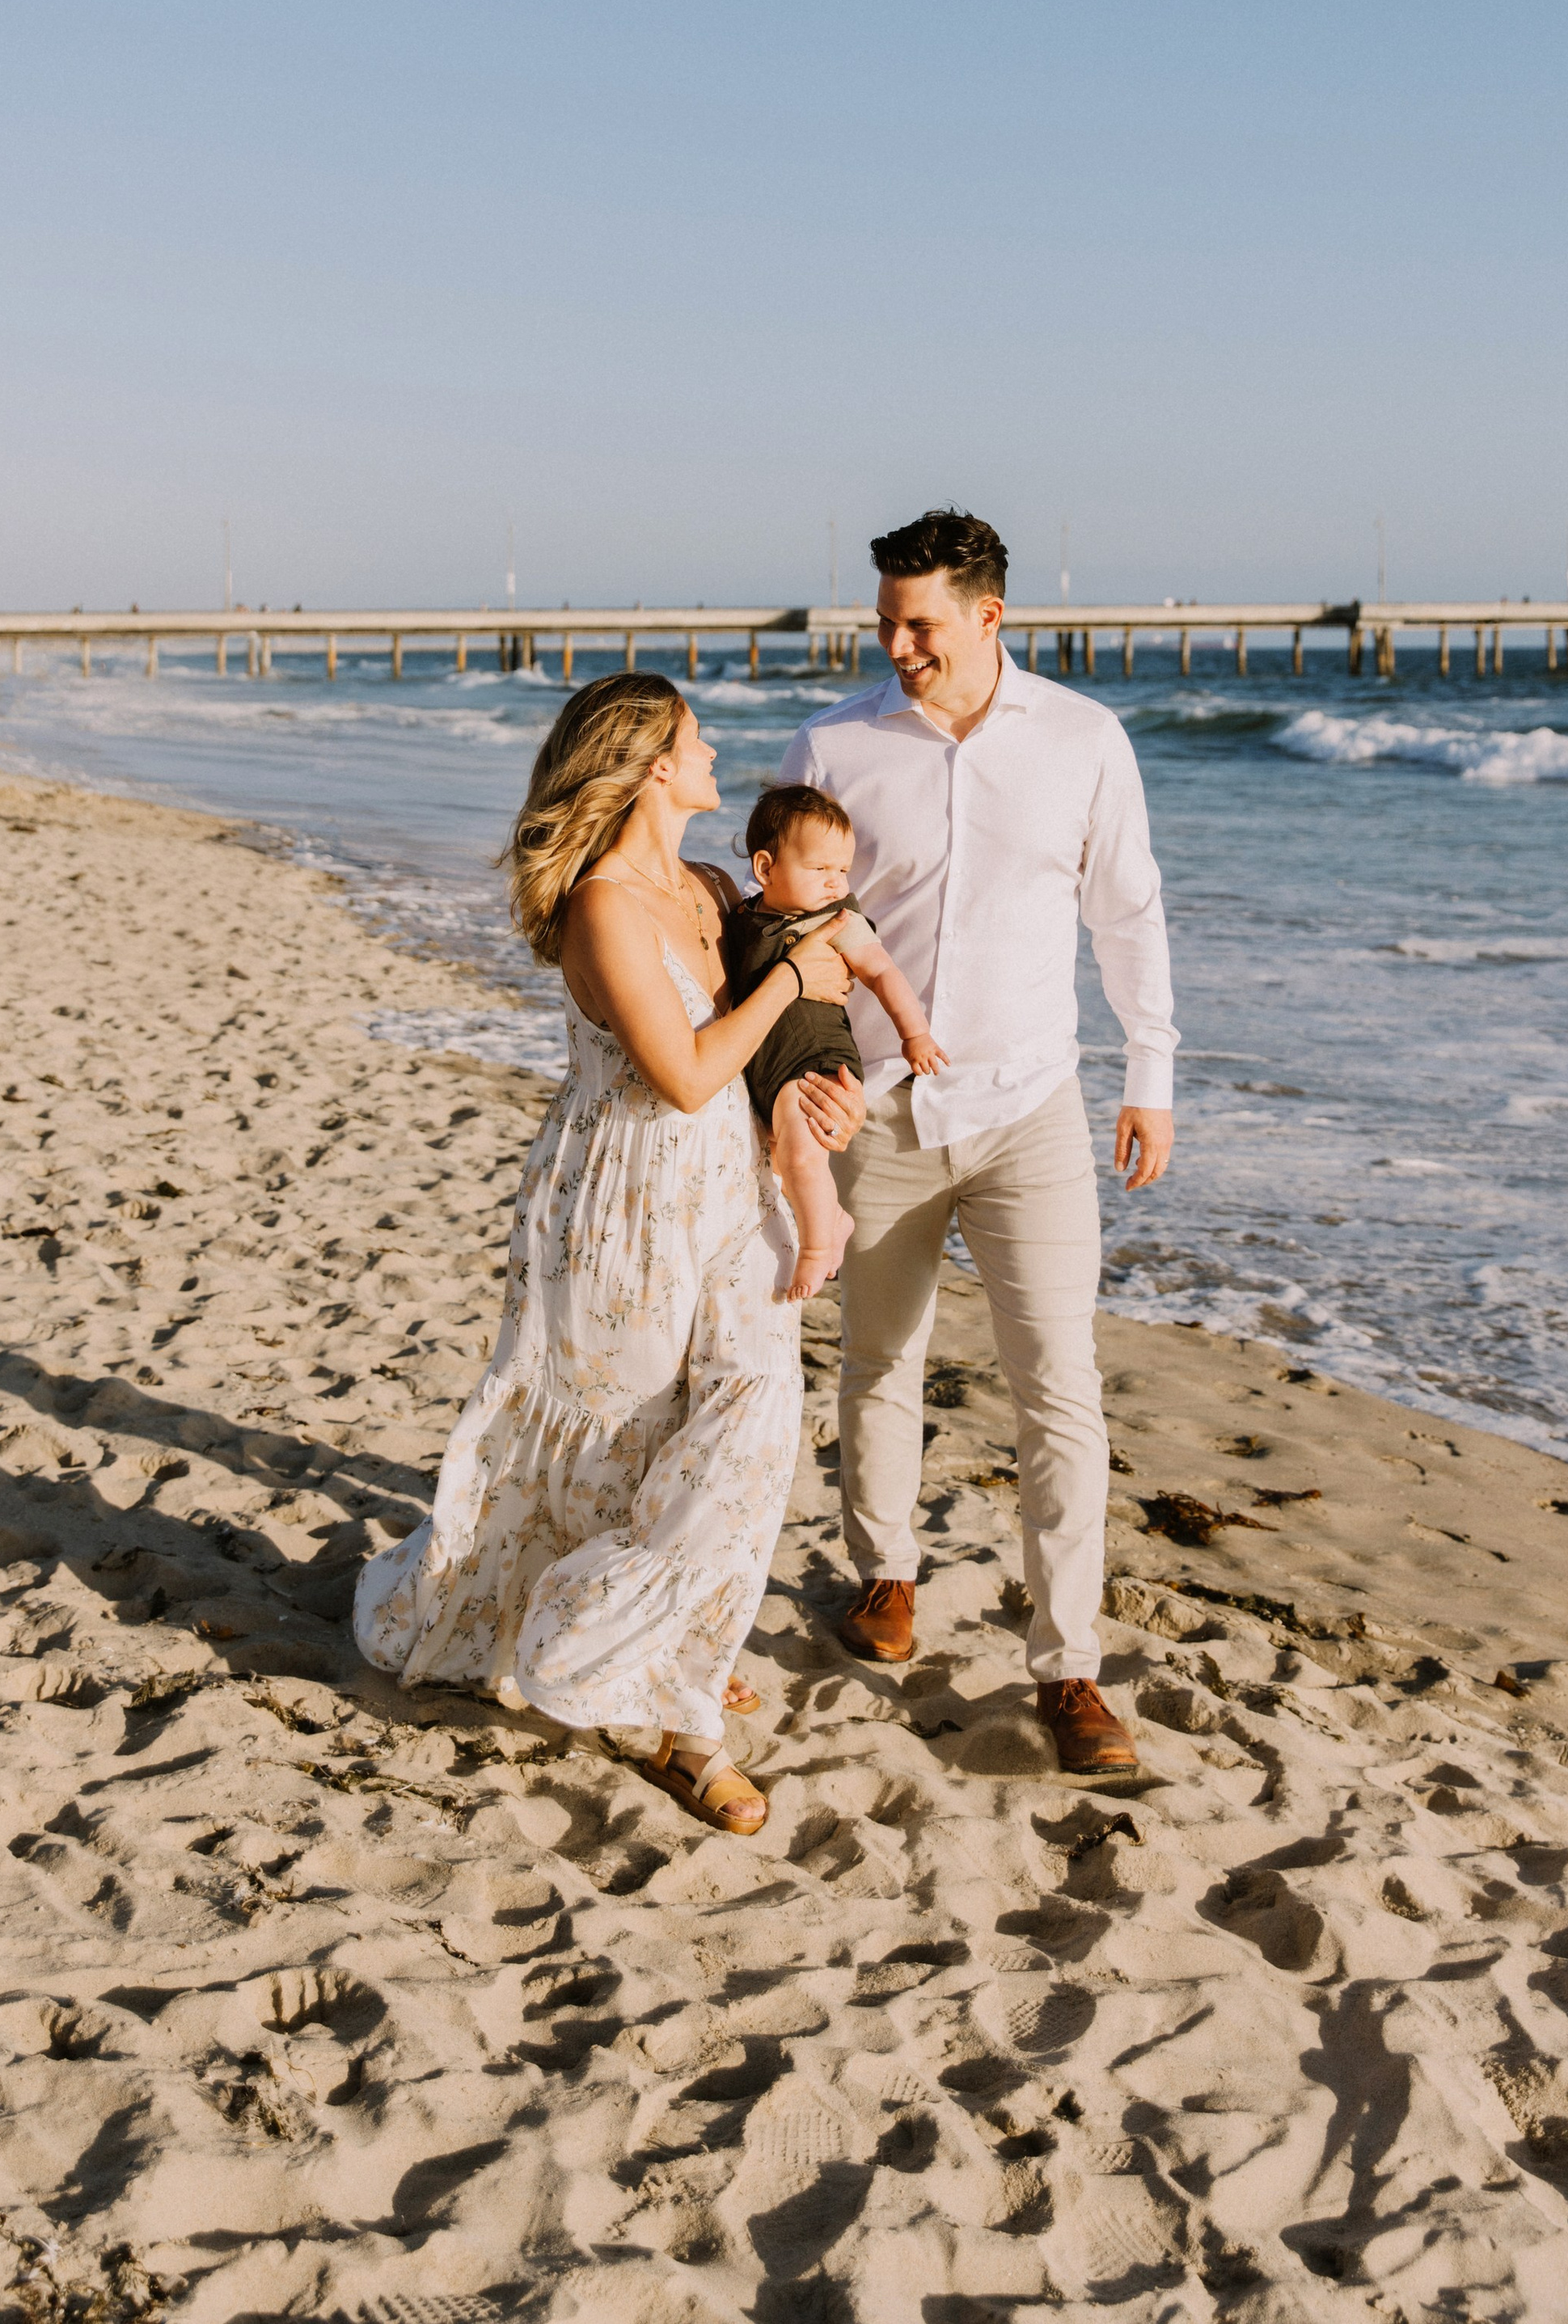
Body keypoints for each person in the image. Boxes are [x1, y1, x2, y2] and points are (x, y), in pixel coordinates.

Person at [353, 671, 864, 1836]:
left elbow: (763, 1054)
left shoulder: (709, 885)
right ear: (648, 767)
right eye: (696, 737)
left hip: (734, 1194)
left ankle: (684, 1709)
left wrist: (820, 1105)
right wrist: (791, 972)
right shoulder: (603, 906)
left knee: (751, 1425)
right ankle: (648, 1658)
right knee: (629, 1449)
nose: (717, 748)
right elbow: (683, 1072)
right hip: (626, 1207)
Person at [779, 508, 1177, 1784]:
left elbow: (1128, 909)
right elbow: (794, 936)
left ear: (991, 615)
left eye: (922, 623)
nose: (898, 643)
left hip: (1030, 1113)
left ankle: (1070, 1668)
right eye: (886, 622)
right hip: (876, 1109)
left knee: (1059, 1382)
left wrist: (1150, 1072)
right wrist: (797, 1085)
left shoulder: (1083, 742)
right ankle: (887, 1577)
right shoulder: (835, 744)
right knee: (879, 1360)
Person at [721, 782, 945, 1300]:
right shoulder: (743, 917)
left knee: (802, 1156)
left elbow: (884, 974)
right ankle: (828, 1218)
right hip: (762, 1063)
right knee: (778, 1158)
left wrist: (915, 1034)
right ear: (764, 869)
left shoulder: (837, 920)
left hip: (815, 1057)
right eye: (820, 869)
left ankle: (821, 1245)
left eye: (842, 870)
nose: (835, 881)